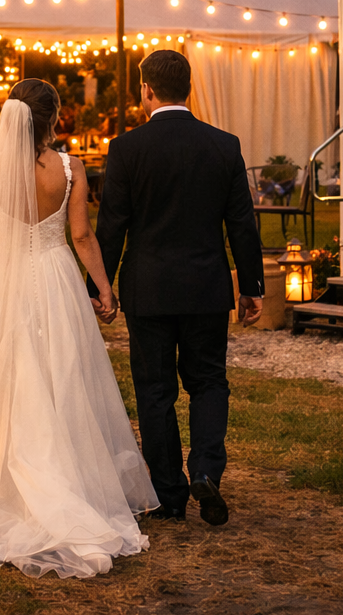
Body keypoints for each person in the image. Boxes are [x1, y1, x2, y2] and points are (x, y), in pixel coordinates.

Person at [0, 79, 156, 578]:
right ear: (54, 119)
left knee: (1, 376)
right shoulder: (70, 169)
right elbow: (82, 235)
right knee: (62, 376)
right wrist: (104, 289)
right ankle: (69, 479)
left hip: (2, 285)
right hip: (55, 279)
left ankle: (4, 478)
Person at [90, 49, 264, 526]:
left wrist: (100, 286)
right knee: (208, 381)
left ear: (146, 89)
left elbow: (112, 226)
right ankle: (206, 469)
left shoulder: (126, 148)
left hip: (148, 289)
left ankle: (169, 493)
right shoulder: (224, 145)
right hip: (207, 287)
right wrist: (251, 285)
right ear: (188, 88)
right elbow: (242, 224)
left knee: (155, 389)